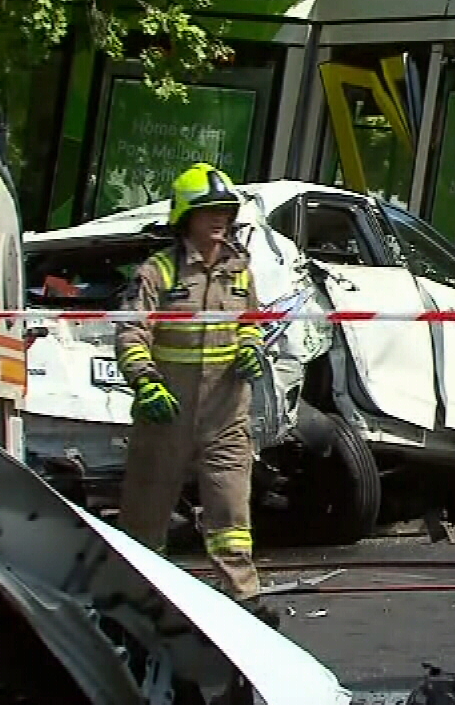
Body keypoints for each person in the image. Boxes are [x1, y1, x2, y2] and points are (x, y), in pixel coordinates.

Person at [115, 163, 281, 625]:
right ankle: (138, 602)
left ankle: (243, 600)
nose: (219, 219)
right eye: (209, 210)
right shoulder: (158, 272)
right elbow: (130, 332)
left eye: (226, 211)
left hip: (226, 414)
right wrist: (146, 382)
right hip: (166, 414)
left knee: (231, 513)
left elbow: (250, 325)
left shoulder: (240, 272)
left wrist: (250, 349)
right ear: (186, 216)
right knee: (145, 518)